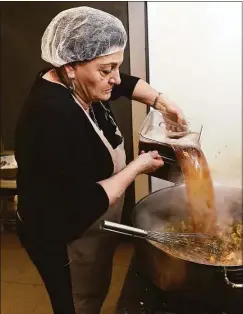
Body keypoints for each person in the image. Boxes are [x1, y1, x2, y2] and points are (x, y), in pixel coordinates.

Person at [15, 6, 185, 314]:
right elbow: (83, 202)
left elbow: (124, 84)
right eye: (106, 71)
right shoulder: (55, 117)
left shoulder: (68, 79)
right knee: (76, 303)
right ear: (69, 66)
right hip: (61, 235)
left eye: (115, 67)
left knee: (95, 293)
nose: (114, 79)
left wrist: (164, 104)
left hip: (89, 223)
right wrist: (139, 166)